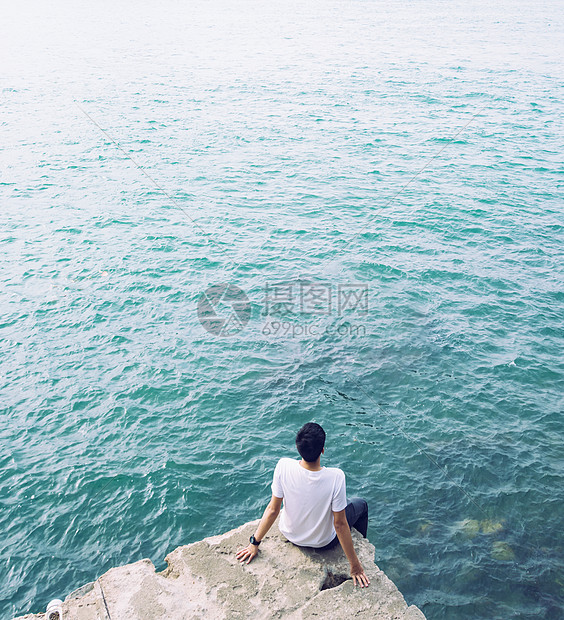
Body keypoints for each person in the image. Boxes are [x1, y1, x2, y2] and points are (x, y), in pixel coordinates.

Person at [236, 422, 370, 587]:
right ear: (322, 450)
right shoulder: (336, 477)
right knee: (360, 505)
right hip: (323, 543)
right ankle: (360, 542)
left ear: (298, 447)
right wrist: (355, 565)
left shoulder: (283, 466)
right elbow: (340, 524)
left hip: (291, 535)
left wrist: (254, 543)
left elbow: (272, 510)